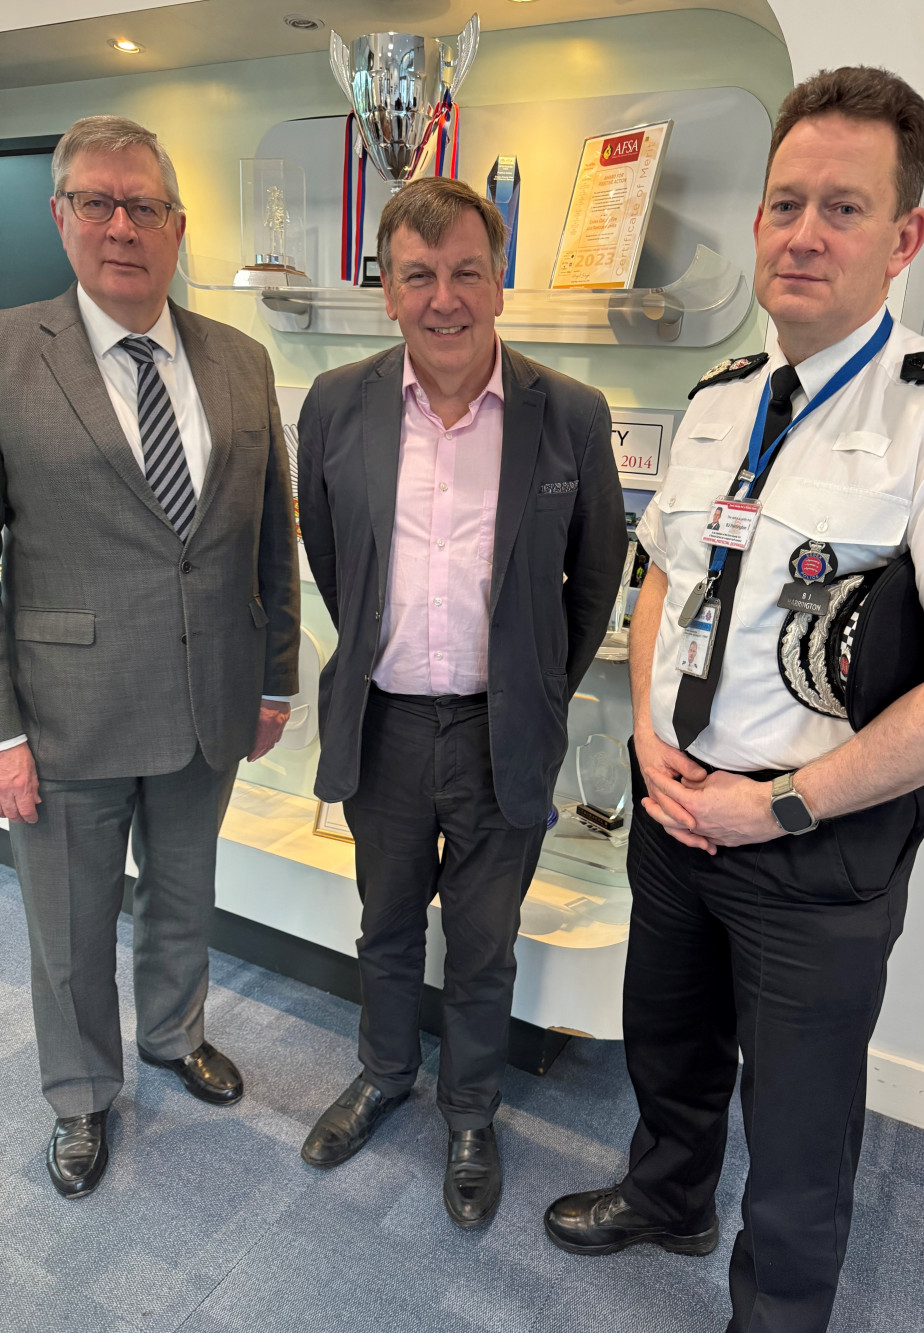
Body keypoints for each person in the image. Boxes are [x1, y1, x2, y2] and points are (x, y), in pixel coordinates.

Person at [543, 66, 924, 1332]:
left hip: (815, 843)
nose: (805, 232)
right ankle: (667, 1192)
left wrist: (782, 807)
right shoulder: (717, 399)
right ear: (755, 222)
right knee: (668, 1044)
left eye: (843, 208)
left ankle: (777, 1312)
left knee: (798, 1115)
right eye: (784, 201)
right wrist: (645, 731)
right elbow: (661, 585)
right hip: (677, 805)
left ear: (902, 237)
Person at [297, 177, 626, 1227]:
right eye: (418, 275)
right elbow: (328, 547)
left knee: (483, 946)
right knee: (385, 925)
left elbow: (596, 575)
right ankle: (384, 1071)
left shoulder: (566, 414)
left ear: (500, 281)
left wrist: (532, 689)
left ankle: (470, 1110)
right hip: (385, 725)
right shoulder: (336, 403)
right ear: (386, 291)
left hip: (501, 737)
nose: (445, 297)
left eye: (465, 272)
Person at [0, 115, 300, 1199]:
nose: (122, 225)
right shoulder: (5, 353)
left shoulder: (239, 359)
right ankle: (81, 1095)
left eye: (145, 206)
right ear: (63, 217)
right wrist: (3, 730)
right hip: (65, 706)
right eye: (97, 202)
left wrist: (274, 675)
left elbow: (273, 531)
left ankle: (175, 1036)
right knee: (71, 926)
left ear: (178, 225)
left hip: (206, 697)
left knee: (183, 895)